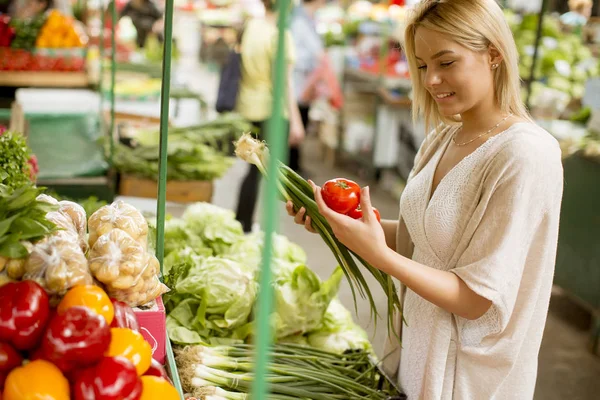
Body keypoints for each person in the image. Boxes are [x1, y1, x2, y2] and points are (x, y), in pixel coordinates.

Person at [287, 0, 563, 398]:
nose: (431, 79)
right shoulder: (443, 137)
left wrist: (379, 255)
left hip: (466, 377)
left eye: (446, 62)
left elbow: (477, 299)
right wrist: (342, 224)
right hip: (415, 352)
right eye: (421, 65)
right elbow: (426, 244)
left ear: (494, 54)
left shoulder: (525, 154)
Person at [235, 0, 305, 233]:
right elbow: (283, 83)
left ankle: (242, 223)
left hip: (248, 106)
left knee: (253, 170)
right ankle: (262, 230)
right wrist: (295, 121)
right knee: (274, 174)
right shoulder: (280, 36)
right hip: (271, 111)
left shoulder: (252, 27)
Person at [290, 0, 326, 175]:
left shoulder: (307, 18)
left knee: (301, 121)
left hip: (304, 82)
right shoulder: (299, 21)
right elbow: (295, 55)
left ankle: (294, 165)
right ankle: (292, 167)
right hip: (297, 83)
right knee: (296, 125)